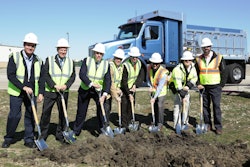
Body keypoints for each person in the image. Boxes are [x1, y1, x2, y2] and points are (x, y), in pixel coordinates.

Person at [2, 33, 44, 148]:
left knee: (31, 115)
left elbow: (41, 78)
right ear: (24, 45)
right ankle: (8, 138)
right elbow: (11, 75)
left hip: (32, 92)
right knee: (14, 116)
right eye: (28, 45)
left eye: (33, 45)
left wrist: (41, 92)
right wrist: (23, 87)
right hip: (17, 91)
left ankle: (29, 139)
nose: (30, 47)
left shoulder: (38, 60)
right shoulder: (14, 57)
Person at [39, 38, 75, 143]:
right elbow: (45, 74)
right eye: (61, 49)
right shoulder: (49, 60)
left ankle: (60, 135)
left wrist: (66, 85)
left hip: (63, 92)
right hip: (50, 92)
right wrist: (53, 85)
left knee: (63, 114)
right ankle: (42, 136)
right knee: (45, 114)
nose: (63, 51)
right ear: (57, 49)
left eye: (65, 50)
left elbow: (72, 76)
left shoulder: (70, 62)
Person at [73, 43, 111, 136]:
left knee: (101, 111)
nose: (98, 55)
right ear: (94, 53)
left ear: (103, 55)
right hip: (85, 88)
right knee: (81, 112)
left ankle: (103, 129)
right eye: (97, 53)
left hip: (98, 91)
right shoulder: (87, 60)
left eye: (100, 54)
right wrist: (91, 83)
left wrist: (105, 94)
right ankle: (76, 131)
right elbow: (82, 74)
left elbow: (108, 80)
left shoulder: (106, 64)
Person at [195, 37, 227, 135]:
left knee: (216, 106)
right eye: (204, 47)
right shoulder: (198, 59)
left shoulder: (219, 57)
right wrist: (198, 83)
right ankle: (207, 124)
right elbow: (195, 73)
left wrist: (221, 85)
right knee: (205, 107)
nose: (206, 48)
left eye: (208, 46)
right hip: (203, 87)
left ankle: (218, 127)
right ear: (202, 48)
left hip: (215, 86)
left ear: (211, 46)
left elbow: (224, 72)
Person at [170, 51, 198, 132]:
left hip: (185, 88)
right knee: (177, 106)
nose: (188, 61)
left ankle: (184, 122)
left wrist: (188, 86)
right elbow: (177, 84)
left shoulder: (192, 68)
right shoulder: (177, 69)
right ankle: (176, 125)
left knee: (186, 104)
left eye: (189, 60)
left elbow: (194, 78)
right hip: (175, 88)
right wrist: (181, 93)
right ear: (182, 60)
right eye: (186, 60)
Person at [120, 46, 144, 131]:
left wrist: (135, 85)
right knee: (124, 106)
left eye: (136, 57)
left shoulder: (139, 63)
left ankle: (130, 122)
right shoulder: (125, 65)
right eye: (133, 57)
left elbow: (141, 76)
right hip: (125, 88)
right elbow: (123, 81)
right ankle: (124, 124)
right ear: (130, 56)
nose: (135, 58)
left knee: (131, 106)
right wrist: (128, 93)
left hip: (132, 88)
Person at [147, 52, 169, 130]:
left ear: (159, 63)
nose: (155, 65)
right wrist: (150, 86)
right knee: (155, 106)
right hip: (154, 90)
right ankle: (155, 121)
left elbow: (160, 87)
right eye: (153, 63)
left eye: (157, 63)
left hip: (161, 92)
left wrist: (154, 97)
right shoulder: (149, 68)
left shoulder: (163, 73)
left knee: (159, 105)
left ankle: (160, 123)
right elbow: (148, 79)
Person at [106, 49, 125, 115]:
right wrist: (116, 96)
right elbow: (111, 82)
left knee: (109, 108)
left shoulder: (121, 66)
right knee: (106, 108)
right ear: (114, 58)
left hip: (114, 89)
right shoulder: (110, 66)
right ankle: (104, 124)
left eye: (120, 58)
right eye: (117, 58)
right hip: (107, 89)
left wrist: (118, 89)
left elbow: (118, 80)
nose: (118, 60)